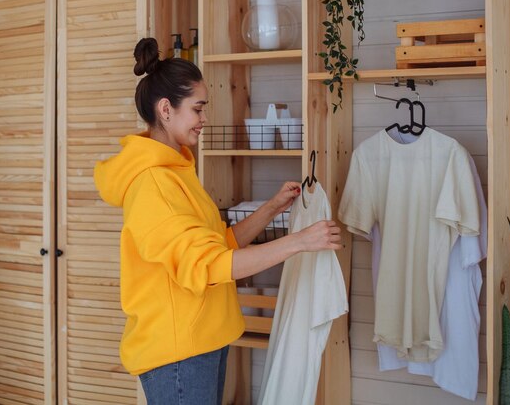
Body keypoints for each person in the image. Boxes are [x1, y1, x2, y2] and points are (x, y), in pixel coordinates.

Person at [93, 37, 342, 405]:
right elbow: (209, 266)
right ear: (166, 109)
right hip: (178, 353)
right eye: (198, 109)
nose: (204, 119)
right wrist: (300, 241)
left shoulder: (176, 171)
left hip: (202, 341)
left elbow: (217, 244)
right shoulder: (154, 184)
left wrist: (272, 209)